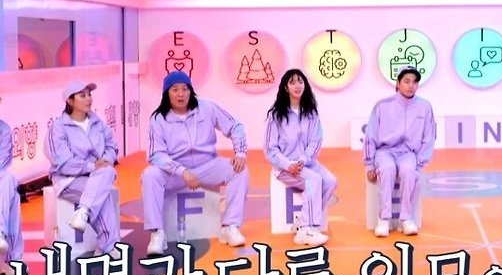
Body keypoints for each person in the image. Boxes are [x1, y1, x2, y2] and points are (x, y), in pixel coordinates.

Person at [142, 71, 249, 255]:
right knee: (150, 175)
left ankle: (230, 226)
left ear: (191, 91)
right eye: (175, 90)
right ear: (166, 93)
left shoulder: (206, 108)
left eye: (185, 89)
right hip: (175, 171)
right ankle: (157, 233)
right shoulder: (158, 119)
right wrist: (181, 171)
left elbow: (235, 126)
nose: (181, 94)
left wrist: (240, 152)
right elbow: (156, 155)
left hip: (207, 164)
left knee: (240, 171)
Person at [44, 81, 121, 256]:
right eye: (82, 95)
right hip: (69, 180)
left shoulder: (97, 122)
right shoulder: (58, 127)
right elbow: (61, 162)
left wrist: (106, 159)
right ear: (70, 101)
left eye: (89, 95)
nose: (88, 99)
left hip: (98, 175)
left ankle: (83, 212)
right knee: (101, 193)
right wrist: (92, 166)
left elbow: (112, 147)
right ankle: (108, 246)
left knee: (107, 172)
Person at [265, 69, 336, 247]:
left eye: (300, 82)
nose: (297, 86)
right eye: (292, 82)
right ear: (285, 88)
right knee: (313, 180)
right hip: (284, 168)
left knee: (330, 180)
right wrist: (288, 165)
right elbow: (270, 149)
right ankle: (305, 230)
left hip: (307, 163)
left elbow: (315, 141)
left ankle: (306, 222)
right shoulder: (276, 116)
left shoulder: (311, 113)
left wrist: (303, 160)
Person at [363, 65, 435, 237]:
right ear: (398, 83)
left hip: (408, 153)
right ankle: (384, 219)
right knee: (387, 169)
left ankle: (406, 218)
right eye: (407, 81)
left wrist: (419, 163)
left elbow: (429, 136)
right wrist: (369, 165)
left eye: (415, 82)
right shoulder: (382, 105)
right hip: (384, 151)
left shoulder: (425, 107)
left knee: (409, 172)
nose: (411, 85)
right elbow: (370, 135)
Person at [0, 97, 23, 275]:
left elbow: (2, 162)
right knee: (7, 183)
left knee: (8, 183)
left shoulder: (4, 129)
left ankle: (12, 260)